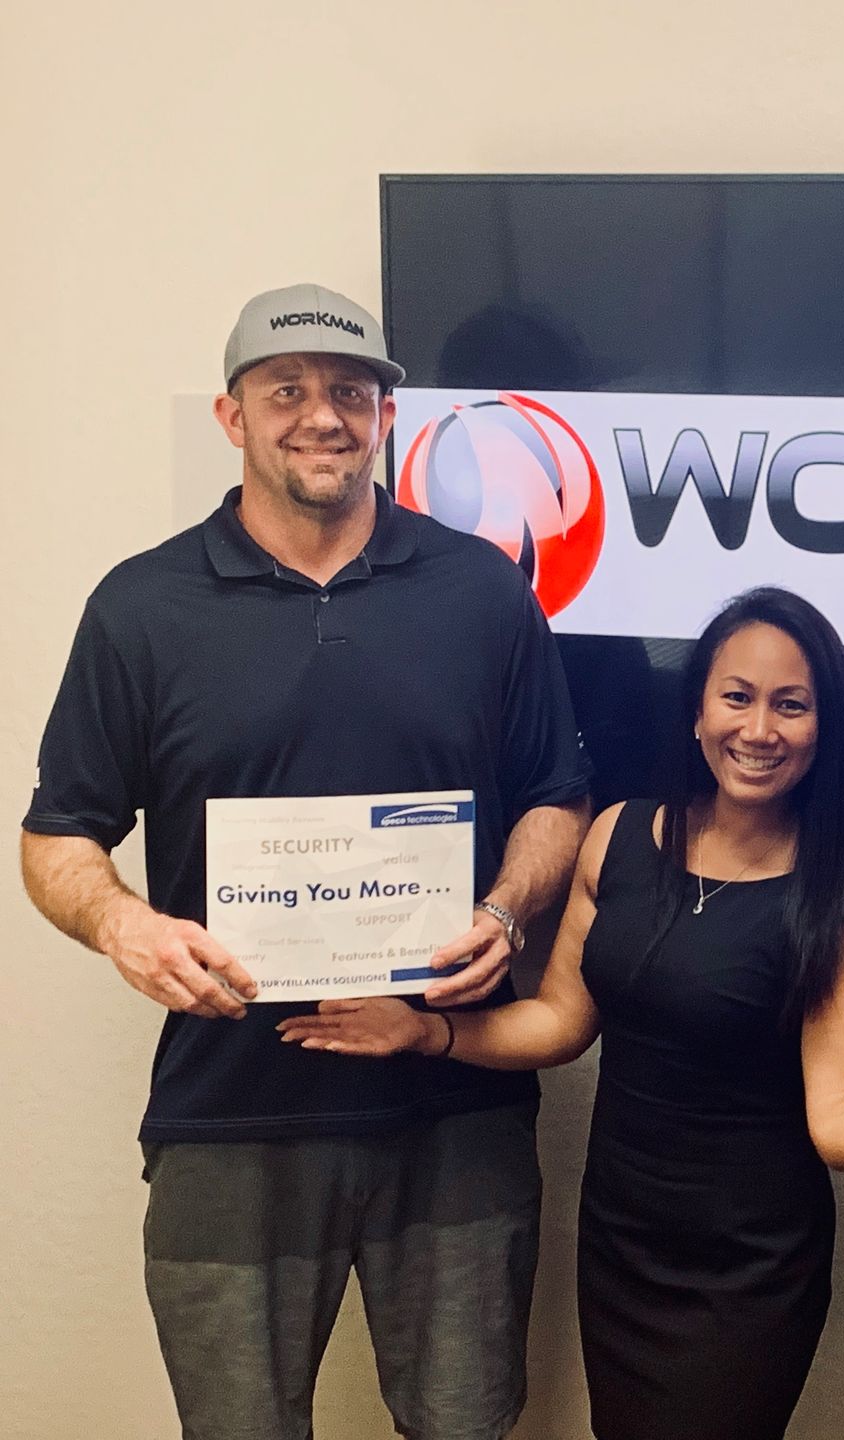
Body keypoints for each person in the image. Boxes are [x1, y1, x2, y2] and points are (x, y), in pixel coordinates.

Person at [280, 586, 844, 1440]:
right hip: (622, 1235)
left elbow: (841, 1121)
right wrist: (429, 1031)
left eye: (792, 705)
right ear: (698, 709)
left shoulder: (838, 903)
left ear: (824, 730)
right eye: (736, 697)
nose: (759, 729)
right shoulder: (618, 837)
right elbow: (561, 1020)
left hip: (749, 1265)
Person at [19, 283, 593, 1440]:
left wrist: (508, 908)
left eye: (350, 392)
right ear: (232, 417)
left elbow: (557, 799)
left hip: (454, 1110)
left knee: (466, 1424)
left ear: (387, 414)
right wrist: (125, 925)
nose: (322, 416)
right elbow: (57, 833)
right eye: (286, 391)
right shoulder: (141, 607)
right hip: (232, 1113)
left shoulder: (482, 590)